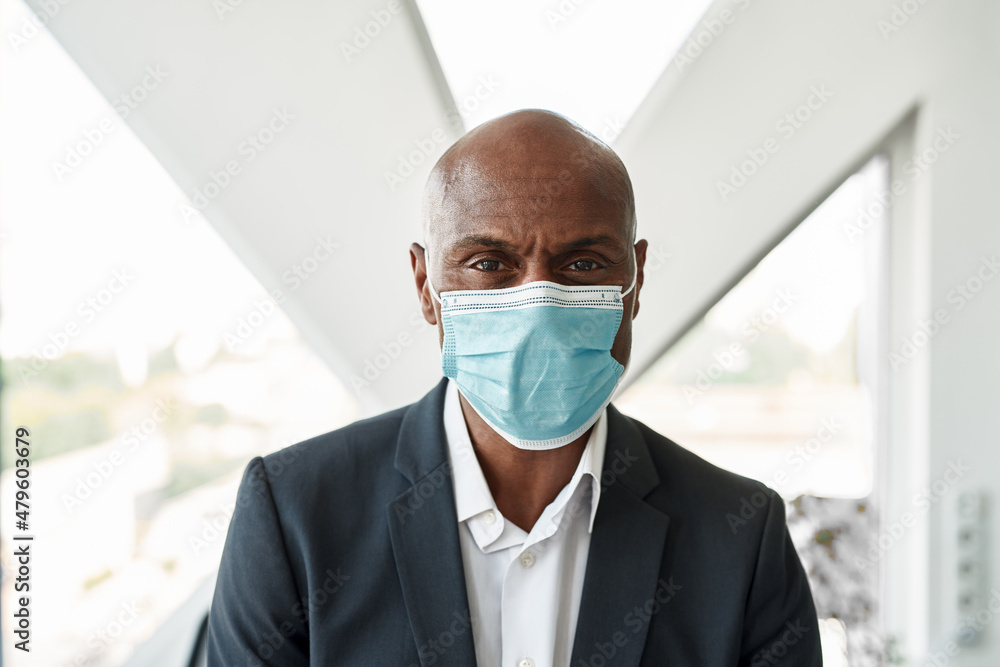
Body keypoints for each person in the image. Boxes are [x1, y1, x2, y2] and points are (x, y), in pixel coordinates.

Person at [207, 109, 822, 666]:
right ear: (426, 284)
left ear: (634, 282)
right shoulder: (294, 517)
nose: (537, 306)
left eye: (582, 264)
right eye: (488, 263)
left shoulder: (740, 538)